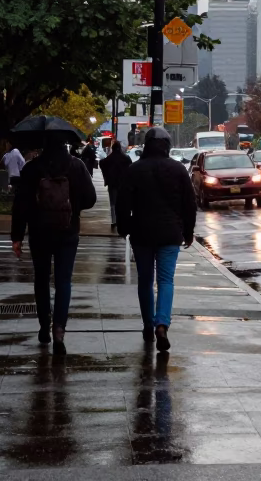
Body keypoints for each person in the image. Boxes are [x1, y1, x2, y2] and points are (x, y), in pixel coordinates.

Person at [11, 132, 97, 355]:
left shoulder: (32, 168)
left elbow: (20, 204)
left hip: (39, 232)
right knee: (63, 281)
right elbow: (91, 198)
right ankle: (59, 329)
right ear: (65, 143)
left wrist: (17, 236)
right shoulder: (76, 166)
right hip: (68, 231)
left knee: (41, 279)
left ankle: (43, 326)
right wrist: (73, 206)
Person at [117, 126, 196, 353]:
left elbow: (123, 203)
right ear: (168, 146)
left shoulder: (135, 170)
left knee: (144, 281)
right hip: (170, 233)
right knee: (165, 281)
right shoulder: (178, 169)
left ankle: (148, 325)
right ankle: (162, 323)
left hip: (141, 233)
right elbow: (189, 204)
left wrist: (124, 228)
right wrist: (188, 231)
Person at [99, 141, 132, 232]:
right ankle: (123, 219)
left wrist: (107, 176)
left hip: (112, 183)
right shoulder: (126, 158)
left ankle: (114, 220)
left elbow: (101, 163)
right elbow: (131, 168)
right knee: (123, 202)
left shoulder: (109, 159)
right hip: (123, 183)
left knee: (113, 203)